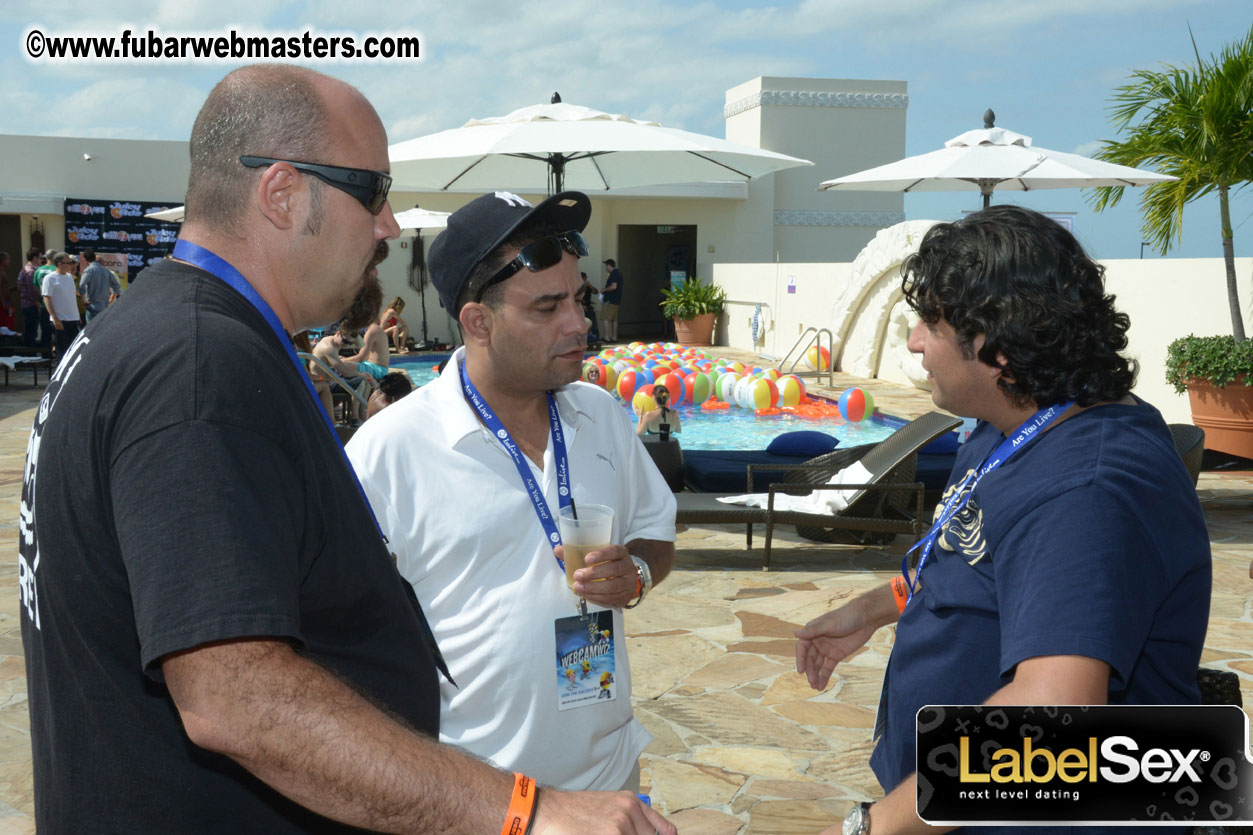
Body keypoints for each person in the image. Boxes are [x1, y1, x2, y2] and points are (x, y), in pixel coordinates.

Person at [20, 63, 672, 835]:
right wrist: (527, 811)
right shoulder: (199, 366)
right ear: (283, 192)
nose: (390, 225)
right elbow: (237, 696)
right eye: (373, 192)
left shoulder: (159, 336)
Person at [795, 206, 1212, 835]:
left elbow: (1051, 709)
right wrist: (877, 607)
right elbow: (980, 556)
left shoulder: (1087, 490)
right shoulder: (1010, 424)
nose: (913, 341)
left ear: (994, 345)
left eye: (930, 322)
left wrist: (870, 828)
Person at [347, 190, 677, 795]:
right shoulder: (390, 449)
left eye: (579, 300)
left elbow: (656, 529)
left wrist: (636, 575)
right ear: (478, 321)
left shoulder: (600, 415)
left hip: (608, 783)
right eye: (547, 308)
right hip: (475, 799)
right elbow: (343, 633)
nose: (579, 324)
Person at [40, 251, 82, 360]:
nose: (71, 265)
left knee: (74, 350)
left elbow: (71, 298)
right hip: (61, 320)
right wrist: (55, 318)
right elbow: (46, 298)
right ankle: (60, 375)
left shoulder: (69, 277)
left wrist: (77, 316)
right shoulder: (50, 278)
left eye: (72, 262)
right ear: (59, 264)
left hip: (73, 319)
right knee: (62, 351)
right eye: (69, 262)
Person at [77, 248, 122, 322]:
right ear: (94, 257)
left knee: (90, 331)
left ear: (85, 259)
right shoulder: (106, 271)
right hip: (104, 306)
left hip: (92, 306)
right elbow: (116, 286)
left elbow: (82, 285)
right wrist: (112, 298)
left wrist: (83, 299)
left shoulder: (88, 270)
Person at [17, 248, 42, 347]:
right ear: (35, 258)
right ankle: (30, 355)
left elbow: (19, 286)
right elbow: (32, 290)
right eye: (40, 258)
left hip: (26, 304)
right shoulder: (31, 271)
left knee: (30, 331)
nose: (41, 260)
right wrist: (37, 303)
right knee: (31, 332)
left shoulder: (24, 269)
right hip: (31, 305)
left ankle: (29, 353)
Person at [600, 258, 623, 343]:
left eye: (606, 266)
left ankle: (607, 337)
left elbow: (614, 286)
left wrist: (604, 290)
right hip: (617, 300)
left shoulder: (613, 274)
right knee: (614, 320)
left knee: (606, 318)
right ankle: (614, 337)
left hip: (611, 300)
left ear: (609, 265)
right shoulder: (619, 273)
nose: (606, 268)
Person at [580, 270, 601, 344]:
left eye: (584, 279)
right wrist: (582, 306)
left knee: (593, 322)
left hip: (588, 307)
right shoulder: (577, 287)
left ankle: (595, 337)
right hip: (581, 307)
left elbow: (596, 292)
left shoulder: (588, 286)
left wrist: (590, 286)